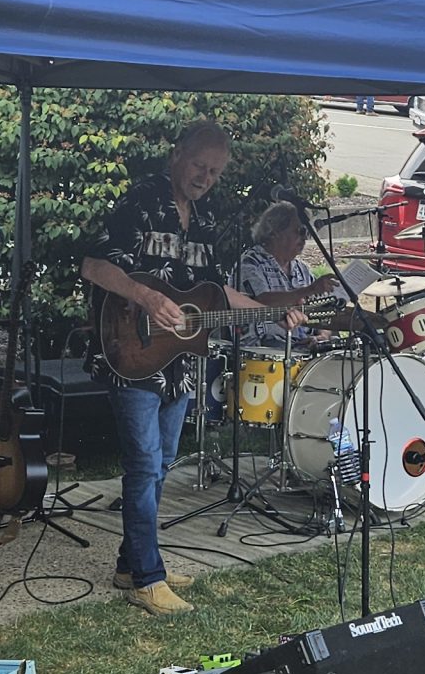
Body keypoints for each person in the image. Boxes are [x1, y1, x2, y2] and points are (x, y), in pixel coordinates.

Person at [80, 121, 277, 616]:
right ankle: (149, 579)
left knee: (164, 461)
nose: (205, 178)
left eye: (215, 172)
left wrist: (268, 309)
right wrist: (145, 297)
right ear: (177, 155)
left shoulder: (206, 218)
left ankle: (131, 565)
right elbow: (93, 266)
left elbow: (213, 291)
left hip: (179, 358)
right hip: (130, 350)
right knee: (144, 464)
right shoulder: (141, 200)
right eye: (199, 166)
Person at [232, 199, 341, 340]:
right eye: (300, 231)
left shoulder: (302, 269)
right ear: (275, 231)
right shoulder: (250, 263)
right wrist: (310, 289)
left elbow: (321, 311)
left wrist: (322, 335)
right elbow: (261, 301)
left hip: (300, 349)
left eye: (306, 232)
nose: (305, 238)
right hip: (261, 348)